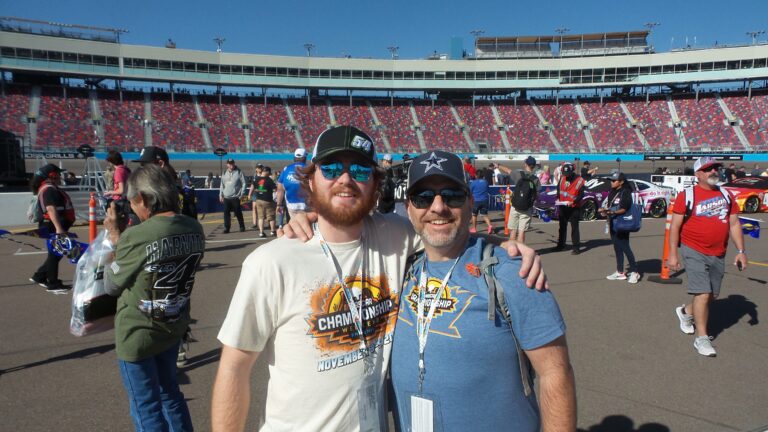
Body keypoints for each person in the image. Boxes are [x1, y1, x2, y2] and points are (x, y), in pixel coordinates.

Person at [211, 127, 547, 431]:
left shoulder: (395, 235)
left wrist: (505, 245)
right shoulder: (271, 262)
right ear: (311, 180)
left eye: (358, 170)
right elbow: (234, 369)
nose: (345, 179)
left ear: (374, 184)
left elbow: (445, 229)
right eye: (331, 169)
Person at [390, 150, 576, 431]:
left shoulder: (513, 271)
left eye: (451, 195)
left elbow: (555, 373)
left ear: (469, 201)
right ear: (409, 207)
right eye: (423, 198)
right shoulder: (400, 268)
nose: (437, 207)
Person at [104, 164, 205, 431]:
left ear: (146, 199)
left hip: (138, 331)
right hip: (172, 325)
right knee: (170, 396)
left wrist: (116, 237)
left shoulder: (137, 235)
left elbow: (112, 285)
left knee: (145, 406)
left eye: (132, 201)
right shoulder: (194, 228)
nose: (132, 208)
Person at [669, 157, 747, 357]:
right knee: (703, 294)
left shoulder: (726, 194)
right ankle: (702, 339)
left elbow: (734, 224)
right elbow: (675, 226)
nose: (713, 171)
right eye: (707, 169)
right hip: (693, 249)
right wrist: (673, 254)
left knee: (712, 295)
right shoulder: (687, 195)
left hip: (718, 252)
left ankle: (685, 312)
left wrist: (741, 251)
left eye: (715, 168)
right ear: (698, 175)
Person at [29, 164, 76, 293]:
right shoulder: (48, 189)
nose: (60, 176)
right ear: (52, 175)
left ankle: (39, 276)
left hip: (54, 225)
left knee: (57, 253)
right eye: (58, 174)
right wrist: (59, 228)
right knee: (56, 253)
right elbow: (50, 209)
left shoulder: (50, 188)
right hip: (52, 225)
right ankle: (53, 283)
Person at [598, 172, 640, 283]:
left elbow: (624, 209)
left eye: (614, 180)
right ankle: (620, 272)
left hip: (623, 223)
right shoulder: (612, 191)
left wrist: (612, 212)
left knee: (625, 247)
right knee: (617, 247)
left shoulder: (625, 192)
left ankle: (635, 272)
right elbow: (610, 206)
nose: (611, 182)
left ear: (621, 182)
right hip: (613, 221)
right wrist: (605, 211)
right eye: (611, 180)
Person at [508, 156, 541, 244]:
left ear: (525, 164)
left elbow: (508, 171)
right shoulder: (535, 179)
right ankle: (520, 252)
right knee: (521, 233)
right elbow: (536, 195)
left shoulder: (518, 174)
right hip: (527, 208)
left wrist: (498, 165)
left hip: (515, 206)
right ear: (534, 166)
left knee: (513, 231)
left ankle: (511, 252)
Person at [554, 162, 584, 254]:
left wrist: (574, 202)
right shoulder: (563, 177)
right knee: (562, 227)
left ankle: (576, 248)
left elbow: (581, 194)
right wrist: (558, 197)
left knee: (574, 228)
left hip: (574, 207)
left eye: (568, 174)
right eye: (564, 173)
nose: (566, 176)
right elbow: (559, 188)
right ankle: (561, 245)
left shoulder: (579, 180)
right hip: (563, 205)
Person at [276, 148, 309, 219]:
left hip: (291, 205)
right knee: (307, 226)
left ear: (294, 157)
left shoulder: (286, 169)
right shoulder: (309, 169)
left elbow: (280, 189)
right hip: (306, 205)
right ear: (304, 158)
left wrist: (279, 204)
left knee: (295, 226)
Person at [247, 166, 277, 237]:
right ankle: (272, 231)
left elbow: (253, 187)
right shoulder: (269, 180)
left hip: (258, 200)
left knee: (261, 217)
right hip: (267, 200)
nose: (270, 174)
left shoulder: (256, 179)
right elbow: (275, 189)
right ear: (266, 172)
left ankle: (261, 232)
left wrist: (250, 194)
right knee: (271, 216)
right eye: (269, 172)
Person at [219, 158, 247, 233]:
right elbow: (222, 185)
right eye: (229, 163)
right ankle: (227, 228)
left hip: (235, 197)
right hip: (226, 197)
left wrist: (242, 194)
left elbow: (244, 183)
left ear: (234, 163)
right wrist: (220, 195)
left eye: (232, 163)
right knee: (226, 213)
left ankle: (242, 226)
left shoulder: (239, 172)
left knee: (238, 212)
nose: (231, 165)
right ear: (227, 164)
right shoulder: (224, 172)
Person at [469, 167, 494, 234]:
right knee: (484, 215)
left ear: (476, 175)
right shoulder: (486, 182)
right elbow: (488, 190)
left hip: (476, 201)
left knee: (474, 215)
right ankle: (489, 225)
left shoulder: (473, 183)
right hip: (485, 200)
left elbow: (470, 192)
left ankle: (474, 228)